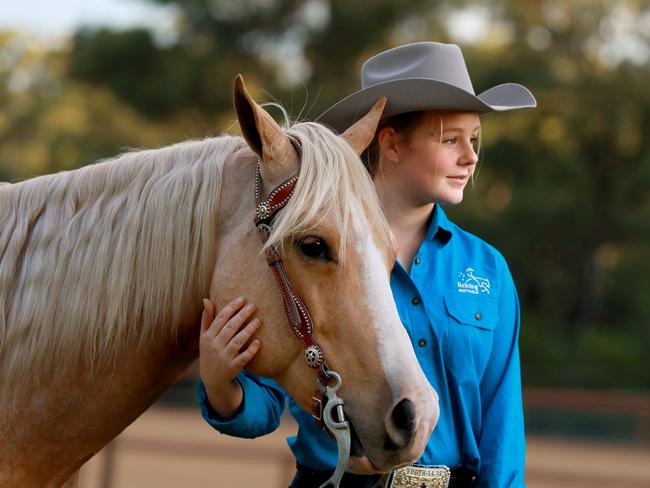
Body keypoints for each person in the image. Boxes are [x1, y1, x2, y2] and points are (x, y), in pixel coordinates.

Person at [198, 41, 536, 487]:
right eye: (450, 139)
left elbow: (501, 423)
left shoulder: (487, 271)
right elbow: (265, 405)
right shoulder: (309, 254)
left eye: (473, 139)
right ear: (391, 144)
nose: (470, 157)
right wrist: (221, 382)